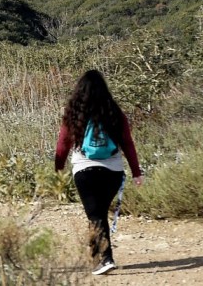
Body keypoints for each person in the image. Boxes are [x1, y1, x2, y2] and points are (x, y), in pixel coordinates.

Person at [54, 69, 143, 276]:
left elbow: (62, 144)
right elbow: (127, 143)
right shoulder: (114, 111)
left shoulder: (74, 111)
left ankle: (105, 258)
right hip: (113, 171)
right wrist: (136, 172)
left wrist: (59, 167)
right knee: (98, 214)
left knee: (95, 215)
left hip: (84, 169)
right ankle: (97, 257)